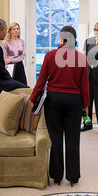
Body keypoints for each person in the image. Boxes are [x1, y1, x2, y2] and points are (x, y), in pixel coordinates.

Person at [30, 26, 89, 186]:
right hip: (74, 101)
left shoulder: (49, 56)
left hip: (54, 100)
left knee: (55, 137)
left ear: (61, 39)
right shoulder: (82, 58)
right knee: (73, 138)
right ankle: (73, 176)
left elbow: (40, 82)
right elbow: (85, 85)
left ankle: (56, 175)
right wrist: (86, 105)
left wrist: (31, 100)